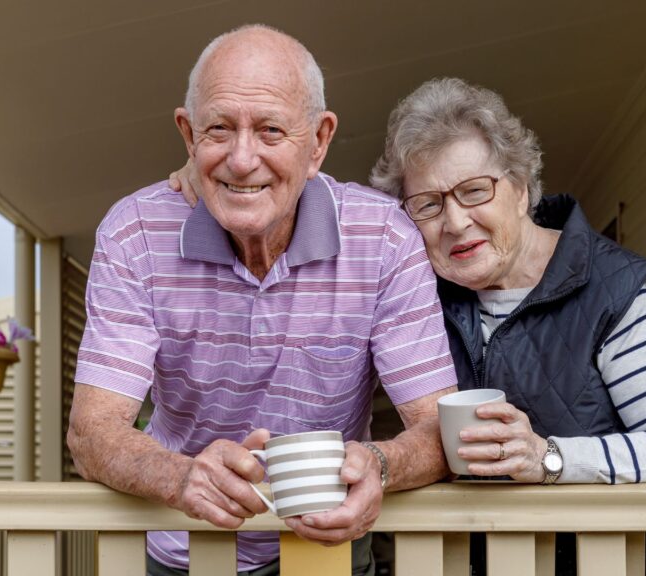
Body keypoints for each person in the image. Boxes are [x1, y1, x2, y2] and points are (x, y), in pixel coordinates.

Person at [66, 25, 459, 576]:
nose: (242, 159)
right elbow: (91, 433)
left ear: (319, 141)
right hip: (186, 547)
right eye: (219, 129)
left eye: (271, 130)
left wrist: (380, 464)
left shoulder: (385, 238)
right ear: (188, 135)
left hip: (326, 552)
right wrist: (180, 477)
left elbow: (437, 428)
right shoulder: (134, 233)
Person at [369, 77, 646, 573]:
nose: (456, 222)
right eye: (429, 204)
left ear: (521, 186)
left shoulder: (613, 290)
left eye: (474, 191)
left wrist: (549, 458)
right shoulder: (417, 301)